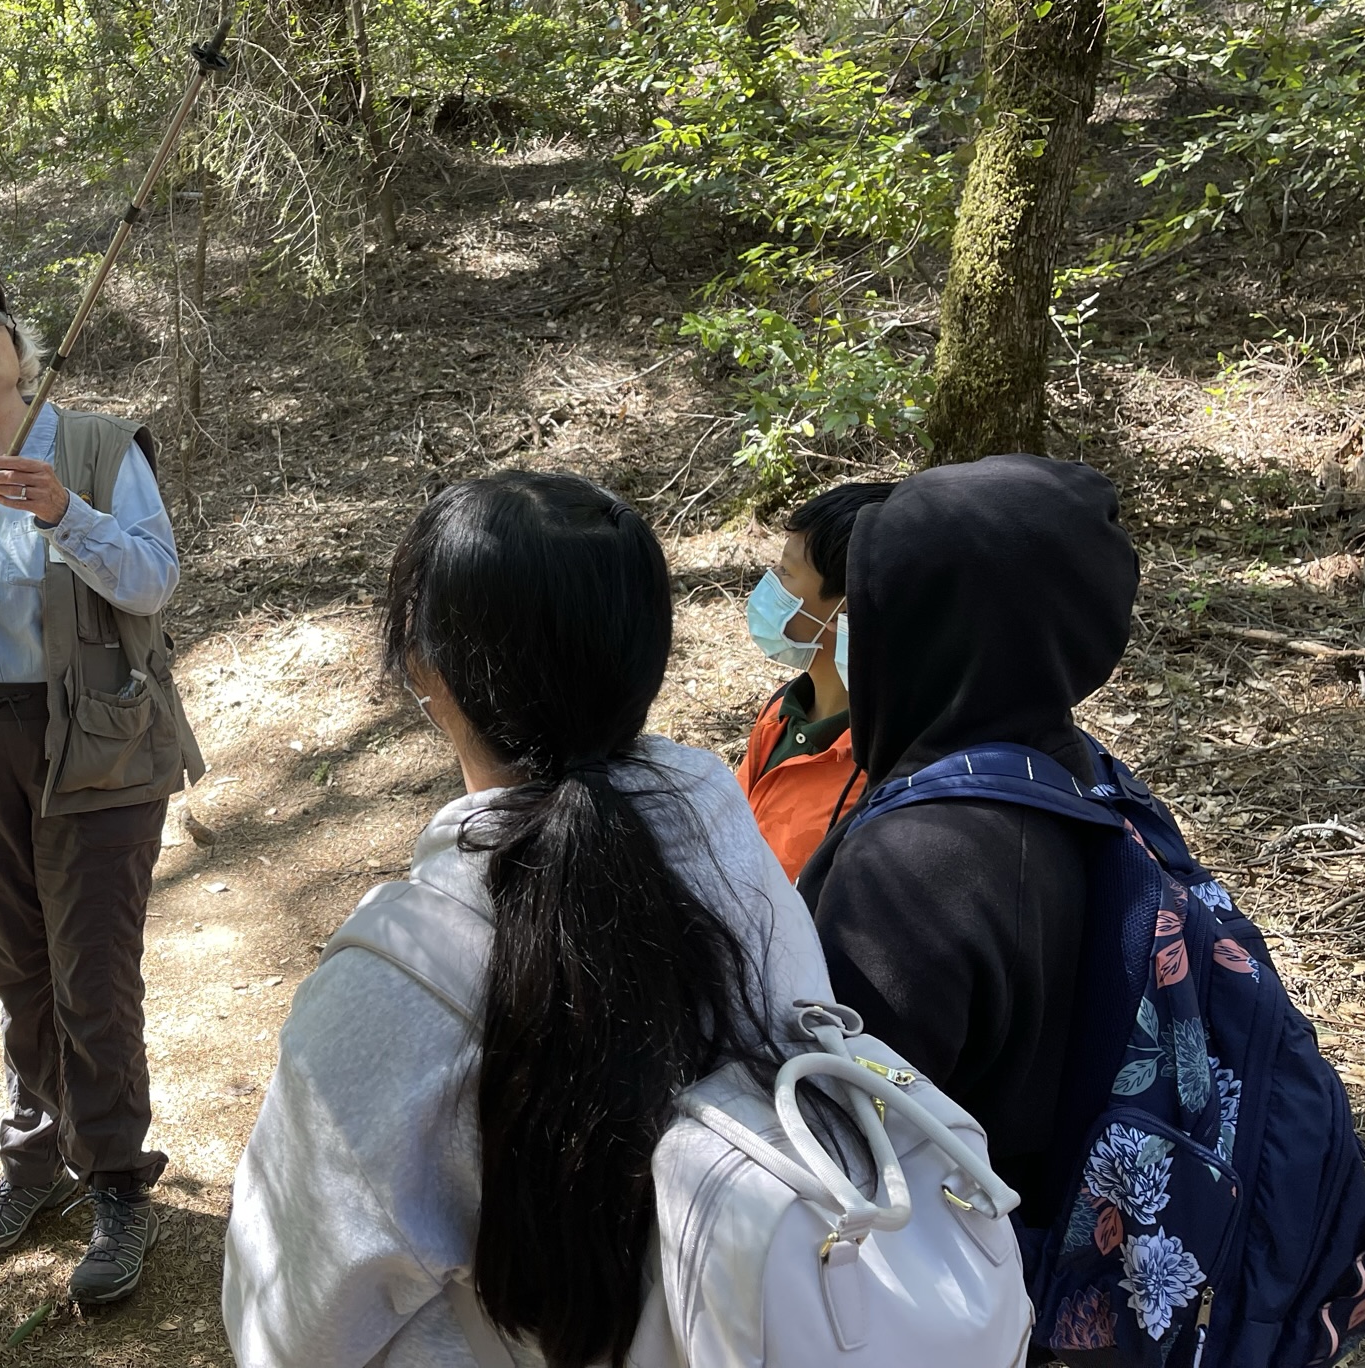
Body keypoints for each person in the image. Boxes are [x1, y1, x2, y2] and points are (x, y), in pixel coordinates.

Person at [222, 471, 835, 1367]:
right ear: (643, 655)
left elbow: (291, 1323)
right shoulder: (734, 844)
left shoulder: (396, 977)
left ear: (427, 668)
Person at [0, 269, 204, 1302]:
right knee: (18, 966)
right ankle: (34, 1161)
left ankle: (114, 1182)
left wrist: (68, 515)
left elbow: (152, 579)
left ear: (19, 346)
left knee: (90, 972)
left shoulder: (98, 448)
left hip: (97, 740)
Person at [796, 455, 1139, 1228]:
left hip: (946, 1276)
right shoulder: (1073, 773)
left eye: (871, 606)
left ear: (928, 624)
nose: (853, 630)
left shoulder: (919, 867)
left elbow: (828, 1134)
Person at [735, 481, 895, 879]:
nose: (769, 584)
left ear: (851, 602)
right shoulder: (784, 709)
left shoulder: (883, 766)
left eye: (785, 573)